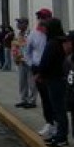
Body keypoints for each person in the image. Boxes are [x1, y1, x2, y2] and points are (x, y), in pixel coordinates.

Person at [37, 17, 69, 147]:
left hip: (54, 79)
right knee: (59, 108)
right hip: (60, 78)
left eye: (45, 27)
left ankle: (61, 136)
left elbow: (45, 61)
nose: (43, 29)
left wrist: (40, 73)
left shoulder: (52, 43)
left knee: (58, 109)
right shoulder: (63, 41)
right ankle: (59, 134)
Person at [26, 8, 54, 137]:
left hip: (52, 69)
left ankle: (57, 123)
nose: (42, 21)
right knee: (44, 97)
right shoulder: (34, 34)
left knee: (53, 97)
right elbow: (28, 51)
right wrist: (31, 64)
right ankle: (49, 122)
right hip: (38, 68)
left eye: (44, 18)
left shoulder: (54, 33)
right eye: (40, 18)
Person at [12, 17, 37, 108]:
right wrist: (15, 57)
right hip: (20, 61)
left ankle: (32, 100)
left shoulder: (31, 34)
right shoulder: (18, 34)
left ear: (26, 24)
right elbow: (15, 46)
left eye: (20, 23)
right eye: (18, 23)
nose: (18, 25)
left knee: (31, 82)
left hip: (29, 61)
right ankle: (24, 99)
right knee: (22, 82)